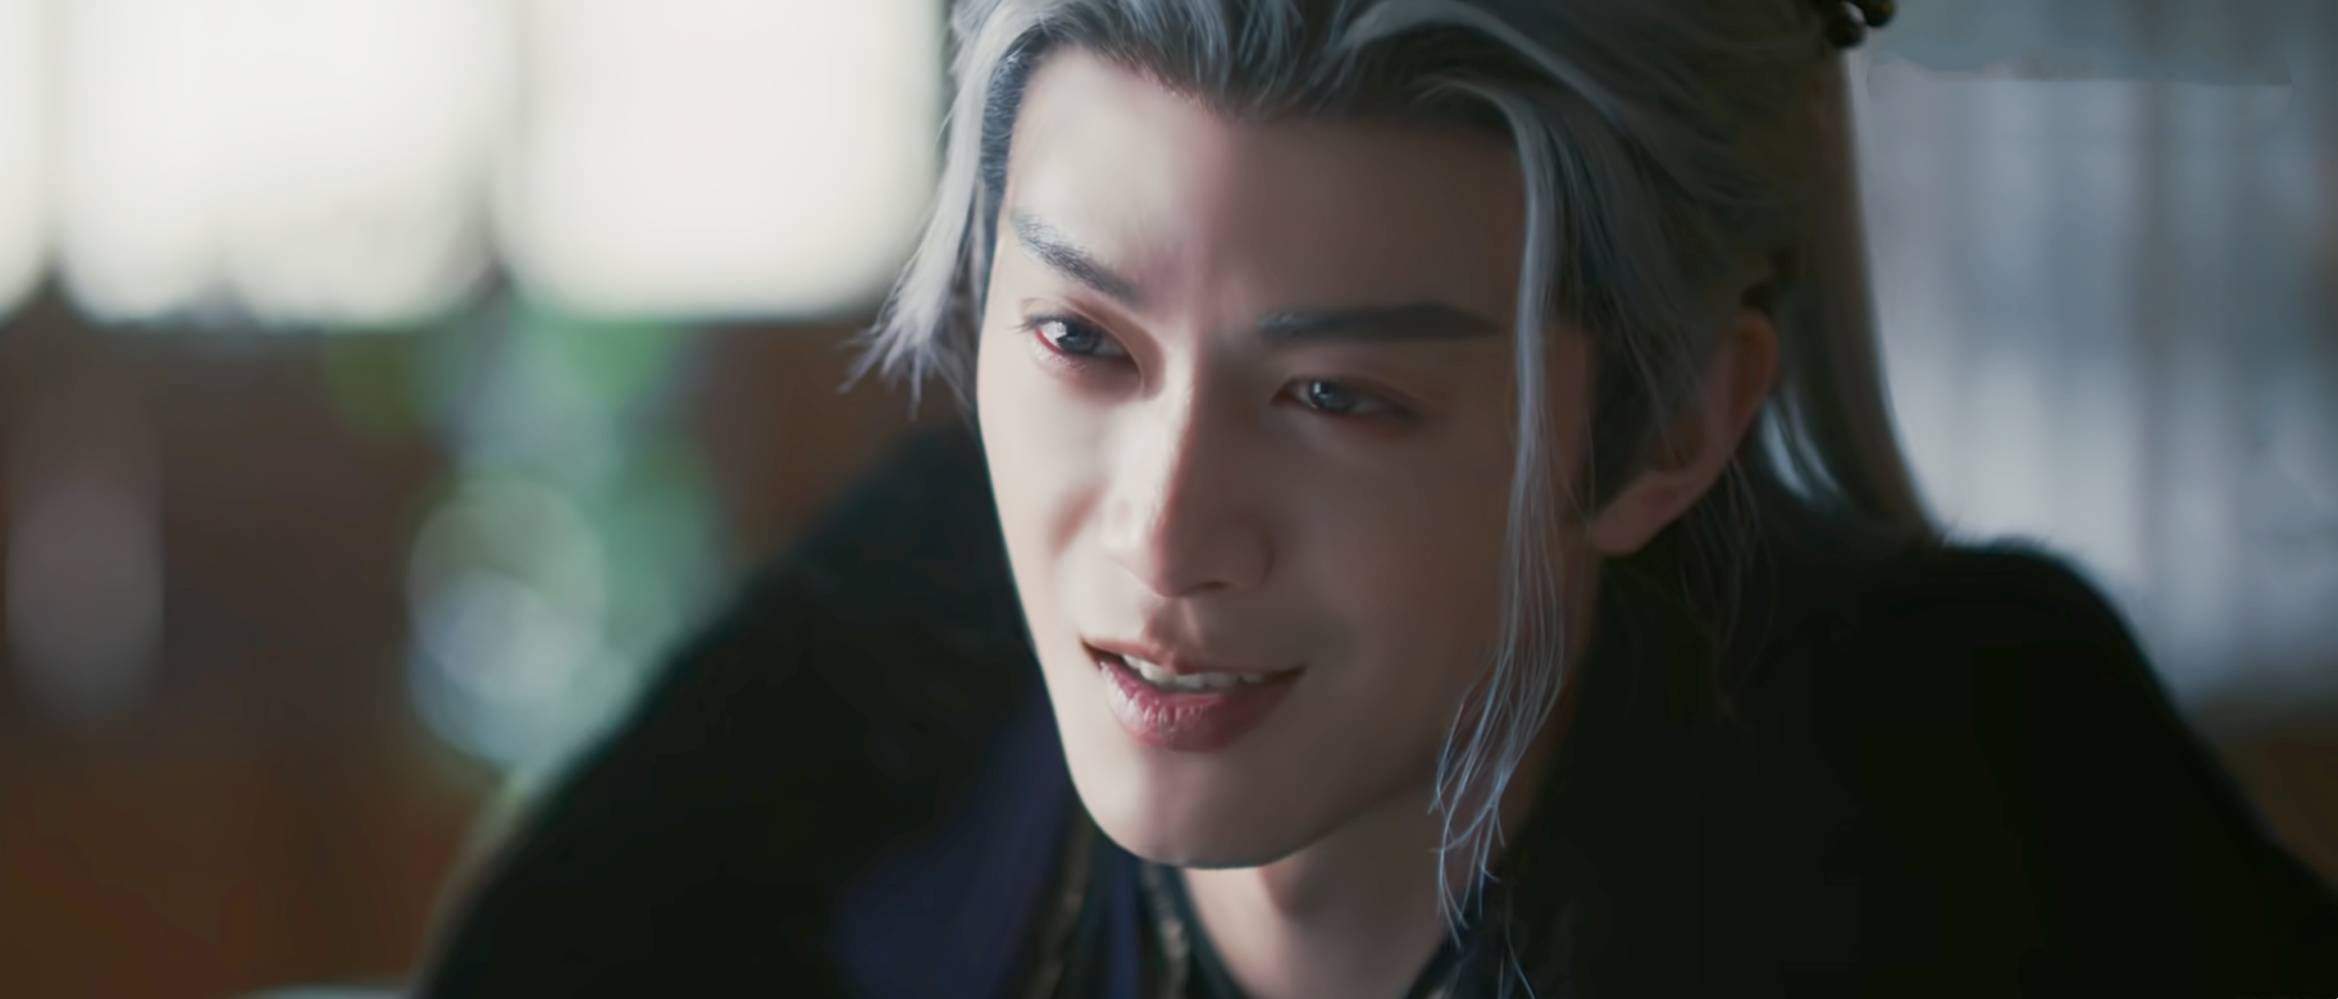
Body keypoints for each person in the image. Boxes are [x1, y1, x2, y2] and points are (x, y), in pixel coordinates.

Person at [415, 1, 2338, 995]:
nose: (1161, 535)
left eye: (1337, 397)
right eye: (1080, 342)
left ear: (1668, 430)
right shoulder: (876, 685)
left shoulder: (1976, 796)